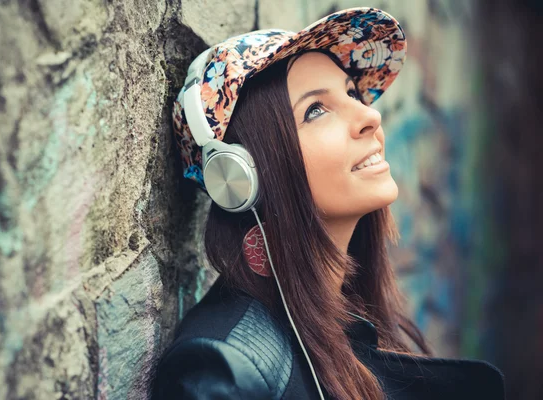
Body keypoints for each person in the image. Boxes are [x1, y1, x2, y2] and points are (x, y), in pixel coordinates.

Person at [150, 7, 506, 400]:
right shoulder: (222, 373)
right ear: (240, 177)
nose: (370, 116)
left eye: (352, 93)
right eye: (316, 110)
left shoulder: (354, 314)